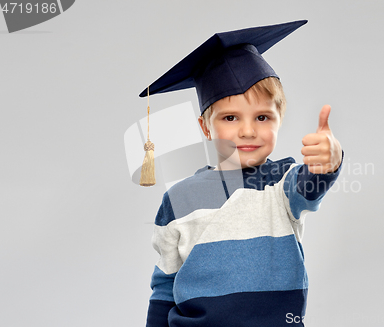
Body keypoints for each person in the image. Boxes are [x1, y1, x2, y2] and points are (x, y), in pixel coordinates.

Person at [140, 20, 343, 327]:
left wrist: (327, 162)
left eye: (262, 117)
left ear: (279, 120)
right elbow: (165, 286)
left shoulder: (282, 184)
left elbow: (310, 184)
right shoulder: (178, 198)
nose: (248, 131)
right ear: (206, 127)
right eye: (230, 117)